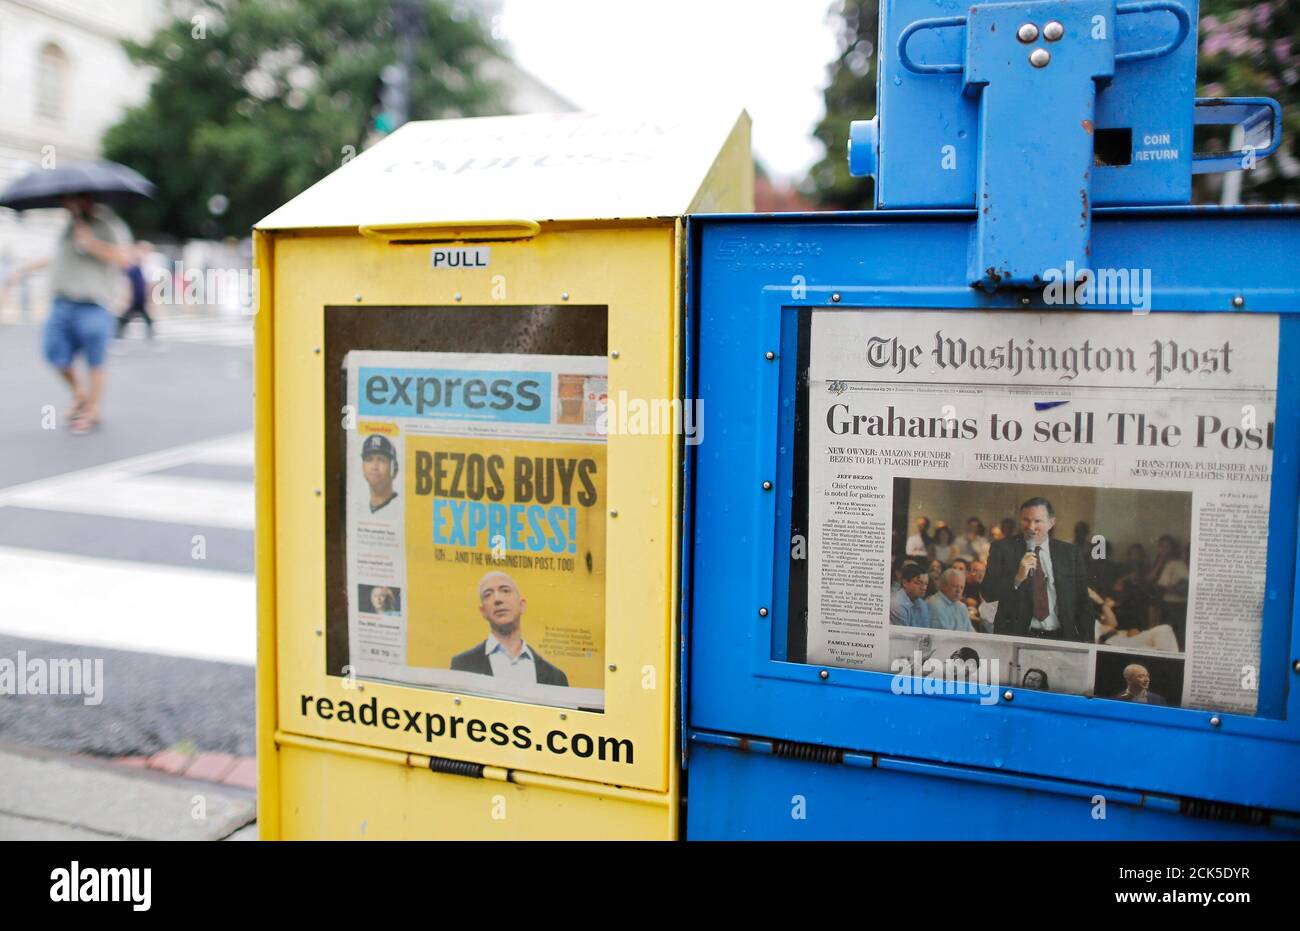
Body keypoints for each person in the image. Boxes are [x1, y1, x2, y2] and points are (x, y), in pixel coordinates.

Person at [4, 195, 133, 434]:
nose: (68, 205)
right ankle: (80, 395)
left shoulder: (109, 225)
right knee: (55, 354)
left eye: (73, 201)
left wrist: (91, 243)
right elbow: (56, 258)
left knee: (95, 361)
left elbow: (125, 258)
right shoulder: (69, 226)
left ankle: (91, 411)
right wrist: (22, 271)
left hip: (93, 303)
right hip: (61, 302)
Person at [981, 496, 1092, 642]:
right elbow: (988, 593)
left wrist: (1088, 642)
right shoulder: (1002, 549)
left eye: (1037, 521)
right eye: (1026, 520)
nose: (1031, 527)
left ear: (1051, 523)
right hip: (1018, 637)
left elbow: (1083, 601)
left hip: (1061, 637)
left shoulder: (1070, 553)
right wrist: (1017, 578)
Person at [451, 571, 569, 686]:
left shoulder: (556, 677)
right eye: (488, 594)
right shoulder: (462, 666)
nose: (497, 599)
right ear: (483, 612)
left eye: (505, 591)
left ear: (522, 605)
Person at [115, 241, 155, 340]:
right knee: (127, 317)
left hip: (140, 297)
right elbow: (128, 284)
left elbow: (148, 284)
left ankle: (119, 333)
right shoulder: (133, 269)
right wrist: (126, 297)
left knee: (144, 317)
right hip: (135, 298)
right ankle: (118, 333)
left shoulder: (144, 267)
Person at [360, 435, 399, 513]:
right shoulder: (359, 509)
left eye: (381, 460)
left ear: (394, 469)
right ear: (363, 467)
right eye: (369, 459)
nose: (374, 467)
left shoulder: (401, 507)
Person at [890, 563, 931, 627]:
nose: (924, 588)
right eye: (918, 583)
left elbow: (926, 630)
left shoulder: (922, 603)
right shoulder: (897, 604)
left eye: (926, 584)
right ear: (905, 583)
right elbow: (905, 635)